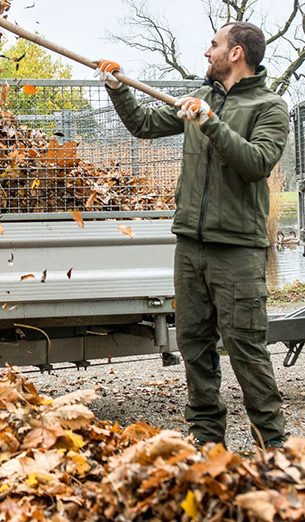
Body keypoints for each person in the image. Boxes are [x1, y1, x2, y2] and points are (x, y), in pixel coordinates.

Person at [96, 22, 289, 449]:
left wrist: (213, 125)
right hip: (190, 246)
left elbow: (257, 163)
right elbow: (144, 124)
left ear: (236, 53)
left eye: (214, 45)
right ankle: (207, 442)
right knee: (194, 346)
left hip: (237, 249)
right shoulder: (199, 100)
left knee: (246, 351)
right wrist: (118, 88)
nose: (207, 52)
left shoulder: (270, 107)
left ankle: (273, 450)